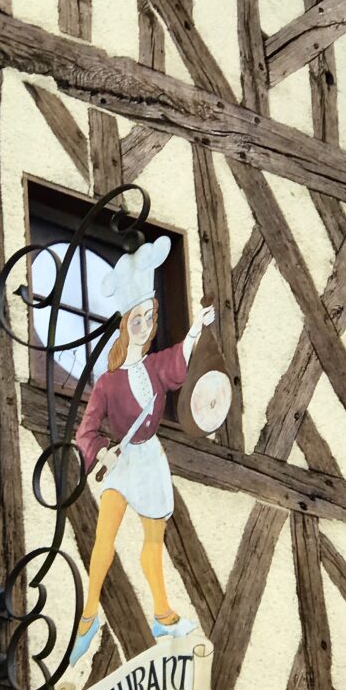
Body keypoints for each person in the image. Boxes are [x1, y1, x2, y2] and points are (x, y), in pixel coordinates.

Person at [71, 236, 215, 666]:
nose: (146, 326)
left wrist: (195, 330)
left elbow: (178, 359)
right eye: (139, 319)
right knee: (105, 534)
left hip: (150, 458)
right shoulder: (107, 383)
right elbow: (86, 431)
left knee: (154, 540)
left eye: (150, 318)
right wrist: (102, 453)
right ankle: (88, 613)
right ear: (124, 324)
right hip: (125, 458)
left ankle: (160, 614)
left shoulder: (154, 368)